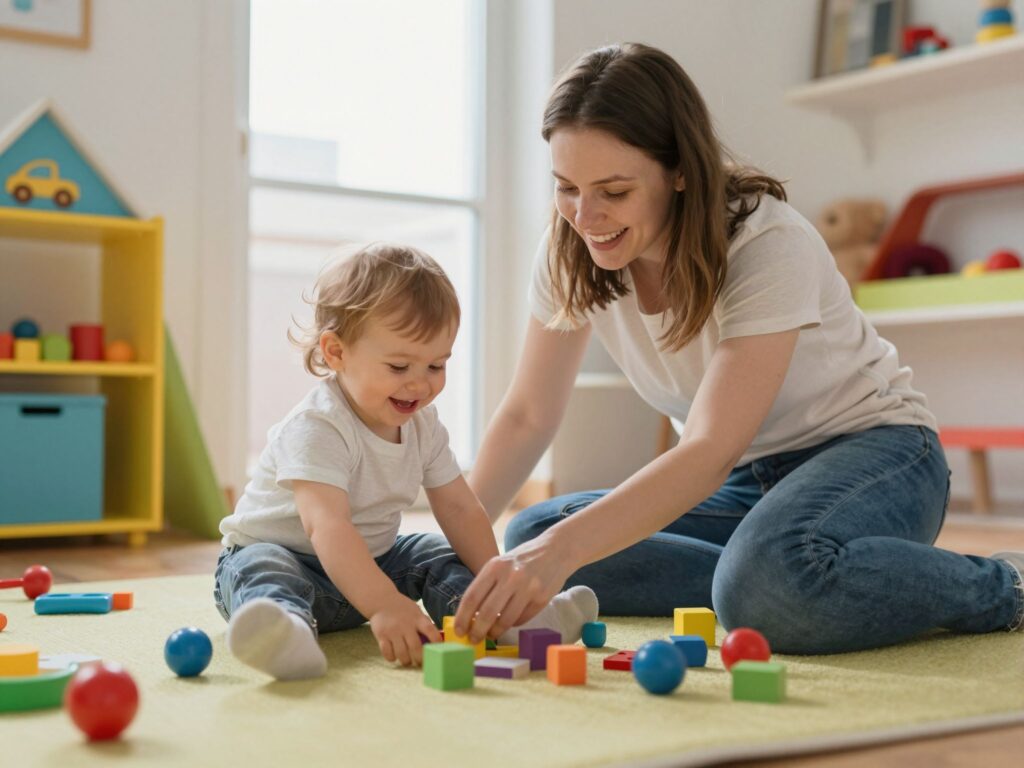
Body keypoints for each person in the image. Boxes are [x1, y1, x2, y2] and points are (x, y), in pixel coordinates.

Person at [453, 43, 1024, 654]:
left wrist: (563, 554)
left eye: (613, 192)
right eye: (566, 187)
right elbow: (528, 415)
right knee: (533, 531)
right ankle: (775, 573)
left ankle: (1003, 584)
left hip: (878, 455)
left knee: (584, 550)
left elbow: (708, 448)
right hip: (747, 487)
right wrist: (448, 541)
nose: (584, 216)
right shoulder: (567, 252)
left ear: (679, 172)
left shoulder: (766, 241)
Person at [216, 244, 597, 680]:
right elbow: (327, 527)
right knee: (262, 564)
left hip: (371, 567)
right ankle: (285, 635)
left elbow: (460, 508)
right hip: (292, 562)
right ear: (336, 352)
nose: (420, 384)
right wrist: (385, 606)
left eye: (437, 364)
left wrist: (499, 581)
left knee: (432, 550)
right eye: (399, 366)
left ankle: (510, 620)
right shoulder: (317, 426)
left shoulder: (423, 426)